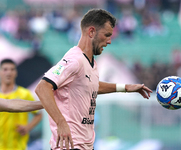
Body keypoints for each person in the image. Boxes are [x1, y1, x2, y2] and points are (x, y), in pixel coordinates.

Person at [35, 8, 153, 150]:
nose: (109, 41)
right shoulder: (75, 60)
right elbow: (42, 88)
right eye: (107, 35)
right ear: (91, 32)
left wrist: (125, 88)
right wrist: (61, 122)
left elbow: (90, 86)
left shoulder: (90, 62)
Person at [0, 59, 42, 150]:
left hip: (18, 146)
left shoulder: (24, 94)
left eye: (12, 69)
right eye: (5, 69)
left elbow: (38, 114)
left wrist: (28, 127)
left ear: (16, 72)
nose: (9, 73)